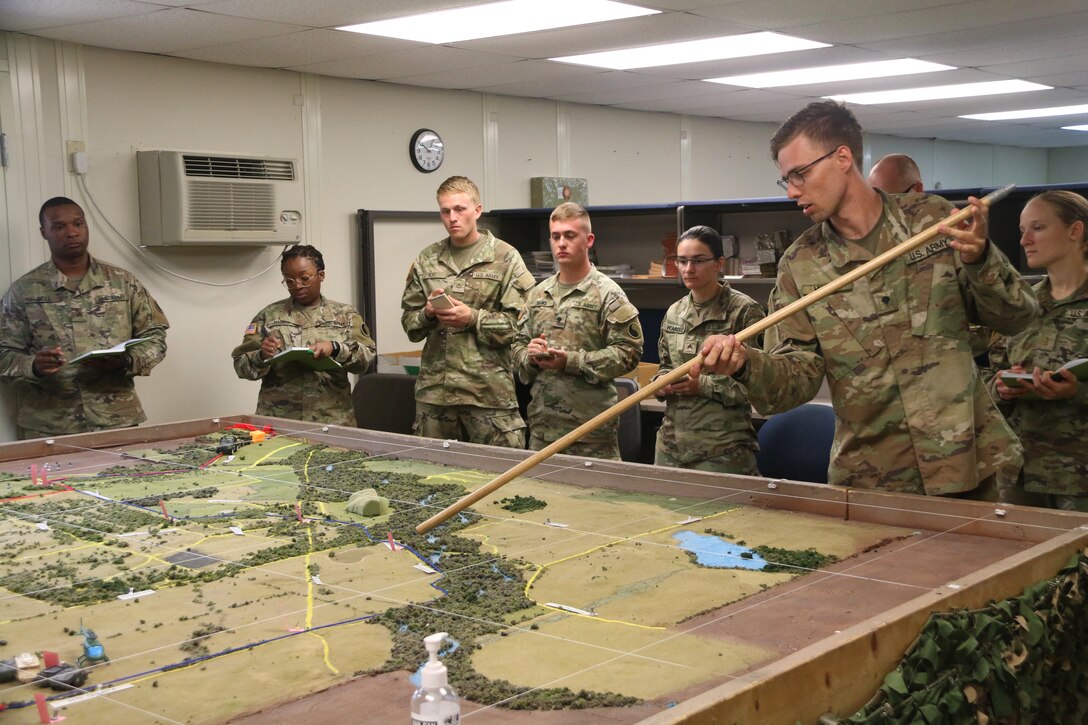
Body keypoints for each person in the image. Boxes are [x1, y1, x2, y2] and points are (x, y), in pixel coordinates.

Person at [695, 101, 1039, 497]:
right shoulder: (801, 266)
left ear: (842, 157)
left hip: (966, 461)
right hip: (873, 478)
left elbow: (1018, 317)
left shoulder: (931, 221)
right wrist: (744, 364)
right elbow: (794, 384)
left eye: (800, 175)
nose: (792, 191)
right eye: (785, 180)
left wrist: (981, 260)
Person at [0, 196, 169, 439]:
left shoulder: (123, 282)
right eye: (59, 227)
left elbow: (155, 338)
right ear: (44, 232)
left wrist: (126, 361)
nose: (71, 232)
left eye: (78, 224)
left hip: (116, 419)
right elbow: (4, 355)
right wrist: (33, 366)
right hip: (48, 426)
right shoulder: (24, 291)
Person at [400, 176, 535, 447]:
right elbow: (410, 325)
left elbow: (522, 328)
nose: (453, 218)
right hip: (436, 395)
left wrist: (472, 318)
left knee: (500, 480)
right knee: (434, 478)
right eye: (445, 211)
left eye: (460, 209)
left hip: (487, 395)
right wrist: (427, 313)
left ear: (477, 210)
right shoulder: (427, 260)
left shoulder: (505, 258)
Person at [513, 202, 643, 459]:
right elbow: (516, 346)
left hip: (591, 434)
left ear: (589, 240)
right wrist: (529, 355)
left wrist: (570, 361)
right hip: (543, 431)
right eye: (555, 236)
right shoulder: (539, 293)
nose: (561, 243)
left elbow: (629, 353)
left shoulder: (608, 294)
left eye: (569, 236)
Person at [987, 190, 1088, 511]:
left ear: (1076, 231)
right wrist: (1001, 388)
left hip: (1079, 479)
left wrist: (1077, 391)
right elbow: (987, 378)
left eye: (1038, 228)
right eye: (1022, 230)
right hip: (1019, 474)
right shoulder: (1021, 304)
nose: (1024, 240)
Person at [654, 226, 765, 473]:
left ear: (719, 263)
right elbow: (665, 367)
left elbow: (758, 386)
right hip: (671, 446)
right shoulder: (674, 312)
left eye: (698, 261)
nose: (688, 269)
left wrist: (701, 386)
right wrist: (661, 384)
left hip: (723, 449)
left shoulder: (744, 311)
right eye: (682, 261)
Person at [232, 244, 375, 426]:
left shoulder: (345, 315)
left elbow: (367, 358)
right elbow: (240, 365)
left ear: (321, 275)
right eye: (289, 281)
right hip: (278, 421)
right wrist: (261, 356)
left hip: (332, 420)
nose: (297, 285)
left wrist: (335, 348)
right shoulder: (269, 315)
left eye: (304, 278)